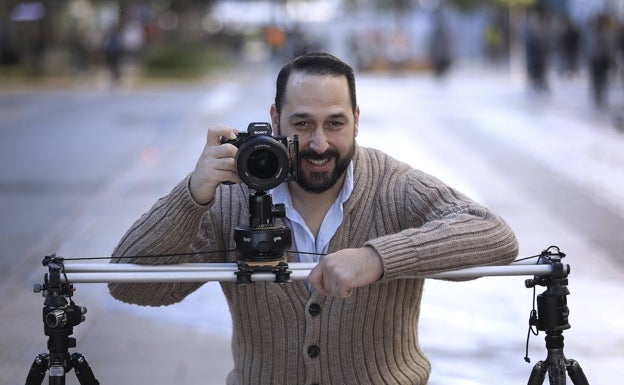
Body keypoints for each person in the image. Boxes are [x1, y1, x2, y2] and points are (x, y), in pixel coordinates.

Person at [109, 52, 519, 385]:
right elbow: (133, 283)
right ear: (275, 120)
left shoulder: (394, 187)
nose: (319, 143)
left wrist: (375, 260)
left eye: (335, 123)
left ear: (356, 120)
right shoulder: (232, 194)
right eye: (302, 124)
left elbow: (495, 236)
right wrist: (192, 195)